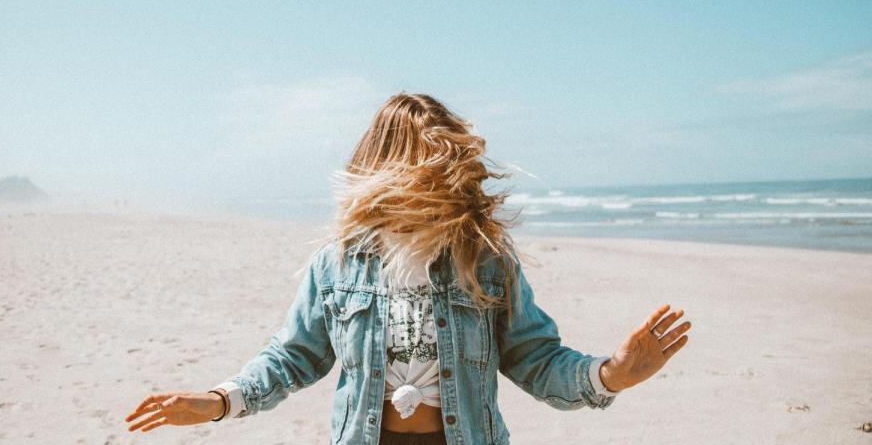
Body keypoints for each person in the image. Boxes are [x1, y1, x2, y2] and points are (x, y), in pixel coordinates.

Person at [125, 93, 691, 444]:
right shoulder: (339, 263)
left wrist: (609, 375)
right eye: (424, 166)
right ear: (388, 168)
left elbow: (534, 358)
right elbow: (294, 357)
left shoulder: (485, 260)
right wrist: (222, 400)